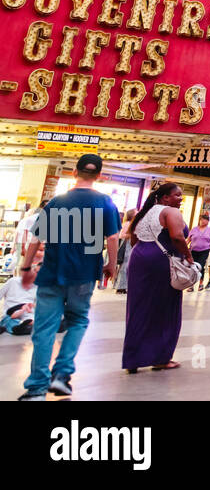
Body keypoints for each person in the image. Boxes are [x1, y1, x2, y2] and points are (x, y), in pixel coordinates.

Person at [18, 154, 120, 401]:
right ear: (99, 176)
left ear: (74, 173)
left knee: (44, 329)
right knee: (78, 321)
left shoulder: (57, 201)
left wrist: (26, 268)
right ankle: (61, 375)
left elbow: (36, 239)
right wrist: (111, 265)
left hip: (52, 272)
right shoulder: (106, 202)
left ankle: (36, 390)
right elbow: (113, 238)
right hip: (84, 274)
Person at [122, 181, 192, 373]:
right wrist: (188, 256)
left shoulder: (144, 213)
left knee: (138, 308)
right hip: (161, 262)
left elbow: (134, 239)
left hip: (139, 259)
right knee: (166, 309)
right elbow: (178, 237)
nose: (181, 198)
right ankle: (161, 358)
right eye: (177, 195)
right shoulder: (171, 212)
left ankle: (132, 359)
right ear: (165, 197)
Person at [1, 263, 37, 335]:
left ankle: (28, 327)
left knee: (32, 320)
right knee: (12, 323)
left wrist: (32, 306)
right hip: (11, 314)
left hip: (27, 315)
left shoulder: (37, 286)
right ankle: (23, 328)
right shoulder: (13, 281)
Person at [186, 213, 210, 293]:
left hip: (204, 250)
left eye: (205, 220)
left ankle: (201, 284)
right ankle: (191, 285)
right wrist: (184, 247)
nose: (203, 221)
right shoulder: (194, 229)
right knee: (192, 266)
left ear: (208, 221)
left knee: (200, 266)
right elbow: (188, 239)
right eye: (201, 219)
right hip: (193, 250)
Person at [114, 209, 136, 294]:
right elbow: (122, 235)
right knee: (125, 266)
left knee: (127, 266)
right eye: (136, 212)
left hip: (129, 246)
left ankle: (123, 286)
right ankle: (120, 286)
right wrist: (132, 235)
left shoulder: (131, 223)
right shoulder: (127, 223)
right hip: (127, 246)